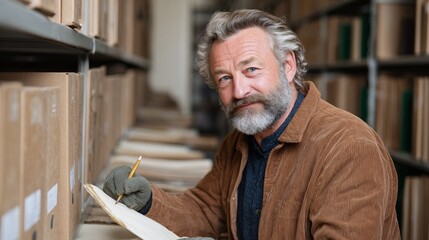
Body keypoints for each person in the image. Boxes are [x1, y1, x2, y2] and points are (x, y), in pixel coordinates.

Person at [103, 9, 400, 239]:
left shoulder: (349, 148)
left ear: (288, 66)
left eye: (252, 69)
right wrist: (149, 202)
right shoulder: (240, 141)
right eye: (225, 78)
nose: (239, 91)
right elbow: (208, 209)